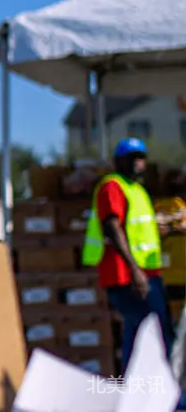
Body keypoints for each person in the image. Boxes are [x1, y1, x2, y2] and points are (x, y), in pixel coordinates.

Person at [82, 138, 175, 370]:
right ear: (118, 162)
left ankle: (138, 391)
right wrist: (135, 270)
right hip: (127, 276)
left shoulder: (137, 190)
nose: (138, 163)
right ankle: (149, 392)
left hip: (146, 273)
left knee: (140, 334)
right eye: (132, 158)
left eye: (141, 158)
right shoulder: (113, 186)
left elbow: (137, 230)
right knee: (152, 334)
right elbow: (112, 228)